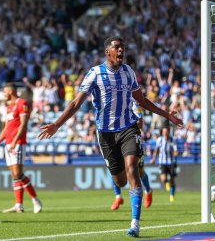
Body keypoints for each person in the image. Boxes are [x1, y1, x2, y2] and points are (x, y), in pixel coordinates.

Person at [38, 36, 183, 238]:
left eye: (123, 47)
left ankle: (135, 223)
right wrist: (57, 124)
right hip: (105, 134)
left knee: (132, 168)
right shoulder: (95, 73)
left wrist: (168, 116)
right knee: (121, 180)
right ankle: (130, 176)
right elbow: (75, 103)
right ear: (108, 52)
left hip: (128, 128)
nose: (121, 50)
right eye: (117, 48)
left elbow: (142, 101)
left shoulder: (128, 72)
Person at [0, 83, 42, 213]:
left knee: (18, 173)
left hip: (17, 143)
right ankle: (18, 205)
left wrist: (14, 141)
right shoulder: (9, 107)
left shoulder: (22, 103)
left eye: (4, 92)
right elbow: (7, 127)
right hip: (9, 143)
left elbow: (23, 124)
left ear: (11, 91)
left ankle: (35, 200)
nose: (4, 94)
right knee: (14, 175)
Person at [110, 100, 153, 210]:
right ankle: (118, 196)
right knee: (114, 168)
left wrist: (130, 123)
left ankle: (148, 190)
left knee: (139, 170)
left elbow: (140, 124)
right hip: (116, 141)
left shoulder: (133, 103)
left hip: (131, 140)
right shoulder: (113, 102)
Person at [150, 127, 178, 202]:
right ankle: (166, 183)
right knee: (163, 178)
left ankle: (172, 195)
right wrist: (153, 159)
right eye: (164, 132)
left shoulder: (172, 140)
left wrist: (176, 153)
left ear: (168, 132)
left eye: (167, 132)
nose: (165, 133)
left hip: (171, 162)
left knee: (172, 180)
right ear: (162, 133)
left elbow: (175, 150)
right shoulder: (159, 140)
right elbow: (156, 150)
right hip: (162, 162)